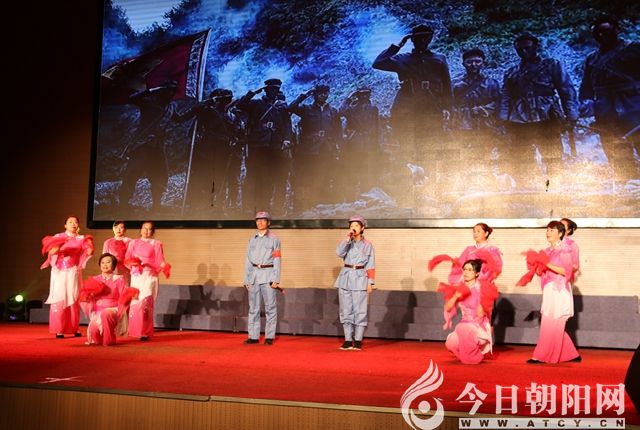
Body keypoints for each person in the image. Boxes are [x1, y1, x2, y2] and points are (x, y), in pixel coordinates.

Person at [372, 23, 452, 198]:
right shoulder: (402, 58)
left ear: (430, 39)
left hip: (431, 110)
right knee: (405, 148)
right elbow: (378, 63)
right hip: (406, 112)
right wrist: (398, 45)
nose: (423, 41)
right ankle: (405, 191)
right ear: (412, 40)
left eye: (426, 37)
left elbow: (447, 85)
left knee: (429, 148)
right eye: (418, 38)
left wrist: (447, 107)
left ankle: (429, 190)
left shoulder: (439, 58)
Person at [498, 33, 579, 186]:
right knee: (522, 157)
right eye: (519, 49)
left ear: (536, 47)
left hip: (547, 117)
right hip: (519, 120)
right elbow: (506, 96)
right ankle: (527, 187)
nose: (524, 51)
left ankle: (554, 186)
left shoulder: (551, 65)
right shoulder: (511, 72)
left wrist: (571, 115)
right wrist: (503, 119)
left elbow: (566, 90)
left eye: (527, 48)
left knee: (552, 155)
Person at [579, 16, 640, 185]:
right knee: (615, 148)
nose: (601, 35)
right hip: (606, 110)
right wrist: (585, 102)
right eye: (597, 33)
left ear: (617, 30)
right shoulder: (592, 59)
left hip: (634, 105)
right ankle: (627, 184)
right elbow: (586, 86)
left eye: (606, 31)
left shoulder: (635, 49)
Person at [517, 220, 581, 364]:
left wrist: (547, 264)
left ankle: (541, 355)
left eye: (552, 230)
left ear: (560, 233)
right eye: (547, 230)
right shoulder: (546, 251)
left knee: (551, 322)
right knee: (550, 322)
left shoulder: (565, 250)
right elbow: (541, 272)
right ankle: (570, 354)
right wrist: (535, 265)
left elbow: (566, 271)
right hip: (548, 289)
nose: (548, 232)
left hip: (560, 288)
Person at [172, 88, 242, 216]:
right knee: (204, 178)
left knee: (221, 179)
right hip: (207, 150)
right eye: (224, 99)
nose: (227, 101)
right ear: (217, 99)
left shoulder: (232, 115)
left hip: (224, 152)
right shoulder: (206, 110)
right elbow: (180, 118)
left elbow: (236, 133)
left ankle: (218, 207)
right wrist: (206, 102)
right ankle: (199, 206)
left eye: (229, 99)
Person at [118, 80, 179, 213]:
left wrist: (198, 109)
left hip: (158, 147)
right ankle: (122, 205)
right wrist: (152, 89)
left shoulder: (171, 107)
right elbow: (132, 98)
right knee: (132, 173)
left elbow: (179, 119)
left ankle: (156, 206)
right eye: (169, 90)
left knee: (160, 175)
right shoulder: (149, 102)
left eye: (173, 91)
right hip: (142, 144)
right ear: (162, 90)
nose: (171, 93)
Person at [235, 79, 293, 216]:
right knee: (253, 176)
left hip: (274, 146)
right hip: (257, 145)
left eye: (276, 90)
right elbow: (240, 105)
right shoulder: (256, 104)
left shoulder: (282, 106)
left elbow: (287, 125)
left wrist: (286, 139)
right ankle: (249, 207)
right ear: (266, 90)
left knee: (269, 177)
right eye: (271, 89)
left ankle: (264, 206)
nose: (274, 92)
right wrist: (252, 93)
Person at [289, 84, 343, 212]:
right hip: (309, 150)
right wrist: (304, 95)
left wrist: (338, 146)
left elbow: (337, 130)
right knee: (308, 177)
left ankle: (322, 204)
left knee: (324, 176)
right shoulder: (306, 109)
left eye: (326, 93)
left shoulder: (333, 111)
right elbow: (291, 107)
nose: (323, 95)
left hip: (327, 149)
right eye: (320, 93)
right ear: (315, 94)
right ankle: (306, 206)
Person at [40, 215, 94, 338]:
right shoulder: (58, 236)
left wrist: (90, 245)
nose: (73, 224)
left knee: (73, 297)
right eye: (70, 222)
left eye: (75, 222)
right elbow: (51, 252)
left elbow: (89, 252)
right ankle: (59, 329)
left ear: (78, 225)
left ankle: (74, 328)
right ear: (65, 225)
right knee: (60, 298)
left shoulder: (81, 238)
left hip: (73, 271)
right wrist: (58, 247)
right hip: (59, 270)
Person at [442, 259, 497, 364]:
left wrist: (483, 299)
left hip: (478, 326)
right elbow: (448, 308)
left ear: (477, 273)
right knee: (450, 343)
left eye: (470, 270)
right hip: (464, 324)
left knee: (463, 327)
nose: (466, 272)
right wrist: (455, 296)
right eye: (464, 269)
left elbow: (480, 314)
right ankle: (467, 354)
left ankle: (474, 357)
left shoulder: (481, 288)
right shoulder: (459, 287)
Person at [334, 215, 376, 351]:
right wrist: (347, 239)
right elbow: (339, 253)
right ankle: (347, 340)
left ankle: (357, 340)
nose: (353, 228)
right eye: (351, 225)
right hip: (345, 278)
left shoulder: (368, 245)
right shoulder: (347, 242)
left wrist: (370, 282)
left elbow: (371, 264)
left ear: (362, 228)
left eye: (356, 225)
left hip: (360, 278)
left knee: (360, 310)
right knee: (345, 310)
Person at [79, 253, 138, 346]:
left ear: (113, 265)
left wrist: (129, 297)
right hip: (98, 311)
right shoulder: (95, 279)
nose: (105, 265)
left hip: (113, 309)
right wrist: (88, 296)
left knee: (106, 313)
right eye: (103, 262)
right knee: (96, 337)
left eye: (108, 262)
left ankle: (109, 340)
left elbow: (123, 296)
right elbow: (87, 298)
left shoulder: (119, 279)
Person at [124, 221, 170, 340]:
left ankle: (145, 332)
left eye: (149, 229)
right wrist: (133, 263)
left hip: (150, 275)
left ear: (153, 232)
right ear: (140, 230)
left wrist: (164, 266)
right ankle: (135, 331)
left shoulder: (156, 244)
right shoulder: (133, 243)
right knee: (136, 302)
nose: (146, 231)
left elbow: (160, 260)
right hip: (137, 275)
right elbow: (127, 259)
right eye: (144, 228)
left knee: (146, 302)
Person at [243, 211, 282, 345]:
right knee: (253, 308)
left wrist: (276, 279)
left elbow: (277, 260)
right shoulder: (252, 239)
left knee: (270, 307)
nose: (259, 222)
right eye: (257, 220)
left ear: (268, 222)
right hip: (254, 276)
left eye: (263, 220)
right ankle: (253, 336)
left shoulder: (274, 239)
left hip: (268, 275)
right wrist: (246, 279)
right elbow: (248, 260)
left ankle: (269, 336)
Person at [337, 86, 381, 201]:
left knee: (367, 172)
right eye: (362, 94)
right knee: (352, 172)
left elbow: (377, 127)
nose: (365, 96)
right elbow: (340, 112)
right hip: (354, 145)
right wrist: (348, 99)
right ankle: (351, 199)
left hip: (369, 145)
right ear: (358, 96)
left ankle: (366, 198)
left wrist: (376, 145)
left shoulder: (373, 109)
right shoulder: (352, 109)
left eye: (367, 94)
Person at [102, 220, 132, 284]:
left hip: (126, 268)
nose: (118, 229)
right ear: (113, 229)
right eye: (116, 227)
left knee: (125, 286)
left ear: (125, 229)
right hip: (112, 268)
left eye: (121, 227)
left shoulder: (130, 241)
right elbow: (104, 258)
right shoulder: (108, 242)